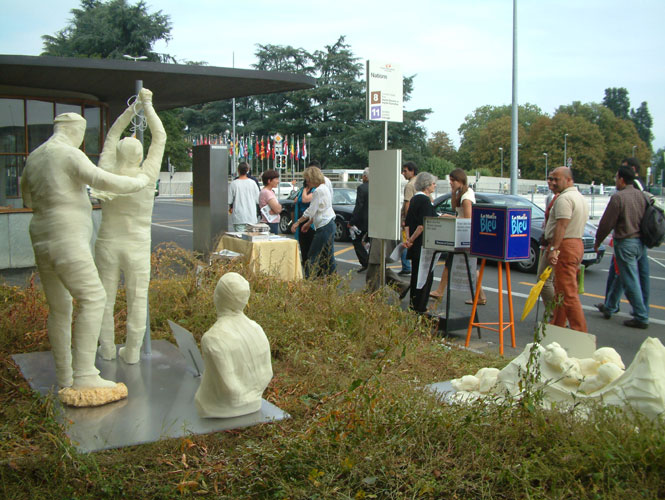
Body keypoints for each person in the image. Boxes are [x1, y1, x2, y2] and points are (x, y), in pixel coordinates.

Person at [20, 111, 157, 390]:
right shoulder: (69, 154)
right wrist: (139, 183)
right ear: (76, 130)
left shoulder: (34, 157)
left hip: (41, 235)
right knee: (94, 298)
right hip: (66, 236)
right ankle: (84, 375)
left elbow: (27, 199)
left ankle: (65, 376)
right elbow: (101, 179)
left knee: (60, 308)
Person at [94, 88, 166, 365]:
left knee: (104, 298)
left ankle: (107, 348)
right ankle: (133, 352)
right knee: (138, 298)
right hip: (137, 245)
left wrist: (132, 108)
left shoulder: (107, 172)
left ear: (117, 154)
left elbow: (112, 134)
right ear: (140, 156)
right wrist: (147, 104)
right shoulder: (146, 176)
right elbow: (160, 137)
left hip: (108, 243)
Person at [194, 273, 273, 418]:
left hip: (219, 408)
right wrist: (252, 396)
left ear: (217, 297)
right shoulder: (257, 329)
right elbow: (268, 373)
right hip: (254, 403)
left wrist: (243, 400)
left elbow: (229, 389)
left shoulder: (213, 339)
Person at [593, 165, 649, 329]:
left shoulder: (618, 198)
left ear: (622, 180)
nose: (615, 181)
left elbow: (606, 223)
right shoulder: (642, 196)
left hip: (625, 242)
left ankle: (641, 316)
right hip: (640, 242)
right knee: (622, 275)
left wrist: (598, 241)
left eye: (616, 178)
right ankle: (610, 306)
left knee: (629, 280)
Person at [429, 169, 487, 304]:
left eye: (453, 180)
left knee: (461, 264)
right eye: (450, 180)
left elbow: (468, 219)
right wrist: (453, 194)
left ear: (460, 180)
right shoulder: (461, 193)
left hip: (465, 235)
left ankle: (441, 291)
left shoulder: (466, 197)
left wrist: (450, 218)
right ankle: (480, 296)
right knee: (460, 264)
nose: (451, 182)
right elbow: (457, 211)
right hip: (462, 234)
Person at [544, 167, 589, 332]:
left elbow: (562, 225)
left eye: (557, 179)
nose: (553, 182)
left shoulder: (564, 199)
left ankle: (580, 331)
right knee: (561, 291)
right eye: (552, 179)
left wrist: (554, 248)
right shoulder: (579, 197)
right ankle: (558, 325)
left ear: (569, 180)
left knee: (568, 293)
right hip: (575, 243)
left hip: (566, 245)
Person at [291, 166, 337, 277]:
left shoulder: (318, 191)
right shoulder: (324, 188)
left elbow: (311, 211)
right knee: (328, 255)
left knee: (312, 255)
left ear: (312, 178)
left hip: (324, 226)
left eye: (307, 179)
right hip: (328, 223)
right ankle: (332, 279)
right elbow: (318, 209)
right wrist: (308, 223)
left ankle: (309, 279)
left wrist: (297, 222)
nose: (306, 182)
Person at [404, 172, 438, 312]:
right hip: (422, 244)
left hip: (413, 244)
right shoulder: (425, 201)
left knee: (415, 275)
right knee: (425, 276)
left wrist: (408, 239)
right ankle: (420, 307)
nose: (435, 186)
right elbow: (422, 225)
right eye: (433, 183)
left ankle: (413, 304)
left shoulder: (414, 199)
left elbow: (407, 222)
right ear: (427, 185)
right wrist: (412, 239)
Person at [536, 174, 559, 312]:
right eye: (549, 179)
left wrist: (553, 248)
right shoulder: (551, 197)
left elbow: (561, 225)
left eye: (554, 179)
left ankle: (555, 314)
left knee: (543, 280)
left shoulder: (561, 199)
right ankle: (554, 313)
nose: (550, 181)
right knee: (551, 281)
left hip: (554, 244)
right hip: (550, 242)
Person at [229, 162, 260, 232]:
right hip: (251, 216)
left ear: (238, 170)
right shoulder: (253, 183)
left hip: (238, 217)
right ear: (247, 170)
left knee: (240, 238)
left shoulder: (234, 183)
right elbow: (258, 200)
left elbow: (229, 200)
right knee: (251, 237)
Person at [349, 167, 369, 271]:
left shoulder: (362, 188)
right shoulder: (377, 187)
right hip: (374, 220)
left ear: (365, 176)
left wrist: (352, 221)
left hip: (363, 221)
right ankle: (372, 262)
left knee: (356, 240)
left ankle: (365, 262)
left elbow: (359, 206)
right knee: (370, 241)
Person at [399, 161, 418, 276]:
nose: (403, 173)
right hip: (418, 219)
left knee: (405, 241)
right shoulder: (420, 183)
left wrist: (406, 220)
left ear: (412, 171)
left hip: (410, 220)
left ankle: (406, 266)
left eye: (405, 171)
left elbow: (407, 203)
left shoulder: (410, 185)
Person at [293, 177, 316, 264]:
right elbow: (297, 201)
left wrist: (304, 190)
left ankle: (311, 265)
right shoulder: (302, 189)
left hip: (310, 221)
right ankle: (305, 263)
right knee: (303, 245)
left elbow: (304, 199)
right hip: (301, 218)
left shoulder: (315, 190)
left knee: (311, 245)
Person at [259, 169, 282, 234]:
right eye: (276, 179)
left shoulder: (268, 191)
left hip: (270, 222)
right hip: (270, 223)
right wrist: (279, 207)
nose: (278, 181)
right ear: (269, 181)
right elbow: (278, 209)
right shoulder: (267, 192)